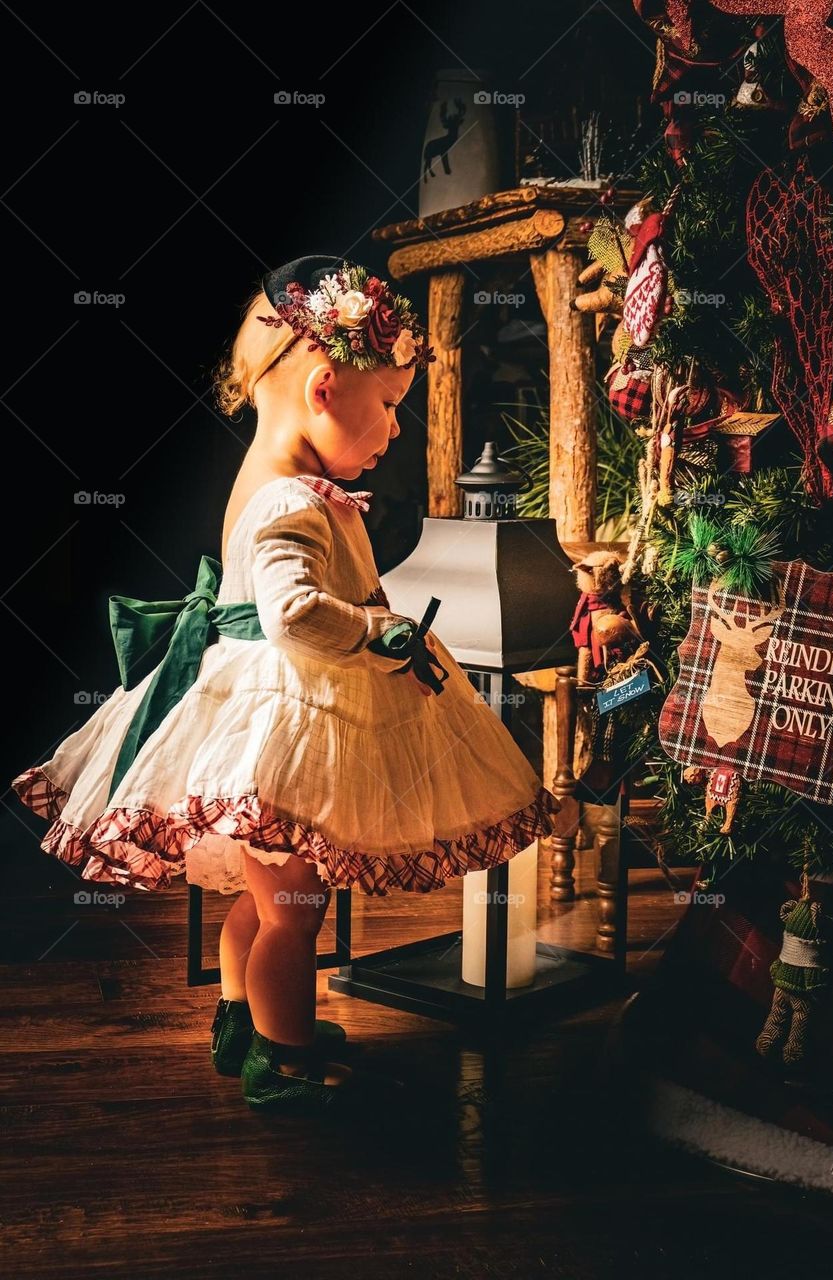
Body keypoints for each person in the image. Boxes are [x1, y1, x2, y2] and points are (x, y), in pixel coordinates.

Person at [11, 255, 561, 1113]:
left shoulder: (283, 488)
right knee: (295, 912)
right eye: (385, 407)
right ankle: (286, 1056)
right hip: (278, 723)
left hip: (283, 713)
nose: (393, 431)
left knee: (272, 901)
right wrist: (376, 627)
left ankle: (244, 1021)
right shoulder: (287, 504)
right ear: (324, 387)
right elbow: (295, 615)